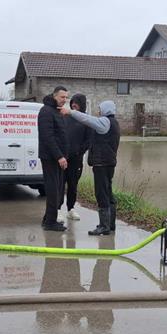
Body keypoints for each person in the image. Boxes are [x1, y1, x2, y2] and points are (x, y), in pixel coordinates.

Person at [60, 100, 120, 235]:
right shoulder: (114, 123)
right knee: (108, 193)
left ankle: (104, 226)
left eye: (100, 109)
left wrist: (70, 112)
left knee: (102, 194)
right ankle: (110, 225)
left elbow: (87, 119)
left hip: (102, 164)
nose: (99, 111)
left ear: (105, 110)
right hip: (109, 163)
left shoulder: (105, 122)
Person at [37, 86, 69, 231]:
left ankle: (48, 218)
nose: (65, 100)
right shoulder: (46, 111)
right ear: (55, 96)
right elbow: (48, 137)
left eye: (66, 97)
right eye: (62, 97)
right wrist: (59, 156)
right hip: (50, 158)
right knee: (52, 190)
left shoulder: (56, 111)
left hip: (57, 158)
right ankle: (50, 222)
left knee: (58, 189)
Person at [63, 93, 91, 221]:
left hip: (76, 159)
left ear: (82, 105)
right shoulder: (64, 116)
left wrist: (79, 152)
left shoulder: (86, 120)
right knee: (59, 184)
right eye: (72, 102)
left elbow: (88, 141)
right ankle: (57, 209)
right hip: (62, 158)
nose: (74, 104)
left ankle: (71, 209)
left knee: (73, 185)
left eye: (77, 102)